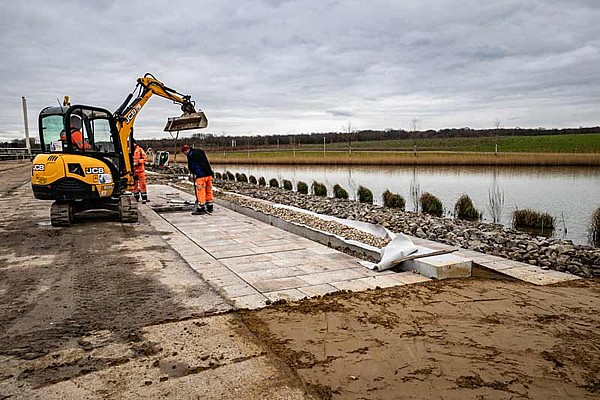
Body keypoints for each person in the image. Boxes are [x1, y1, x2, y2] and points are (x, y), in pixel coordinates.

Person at [181, 144, 214, 215]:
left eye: (184, 152)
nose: (185, 154)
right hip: (209, 174)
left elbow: (192, 166)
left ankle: (201, 206)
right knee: (209, 189)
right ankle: (210, 205)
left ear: (187, 150)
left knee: (201, 190)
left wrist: (192, 171)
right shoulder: (199, 151)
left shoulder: (191, 155)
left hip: (201, 175)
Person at [132, 139, 148, 203]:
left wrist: (138, 162)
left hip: (140, 171)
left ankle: (144, 198)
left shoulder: (140, 150)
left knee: (143, 185)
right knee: (134, 186)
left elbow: (145, 159)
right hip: (133, 171)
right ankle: (136, 198)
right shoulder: (128, 150)